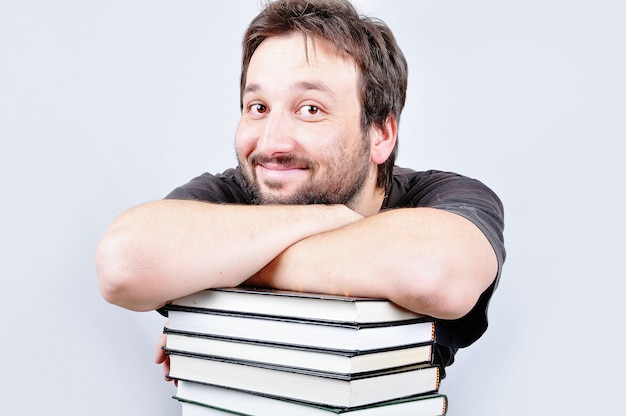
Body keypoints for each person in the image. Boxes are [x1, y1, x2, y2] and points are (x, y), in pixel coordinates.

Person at [96, 0, 505, 381]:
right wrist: (329, 218)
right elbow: (123, 265)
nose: (272, 143)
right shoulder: (229, 191)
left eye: (310, 109)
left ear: (381, 133)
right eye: (258, 108)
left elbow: (432, 272)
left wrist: (218, 276)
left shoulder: (445, 197)